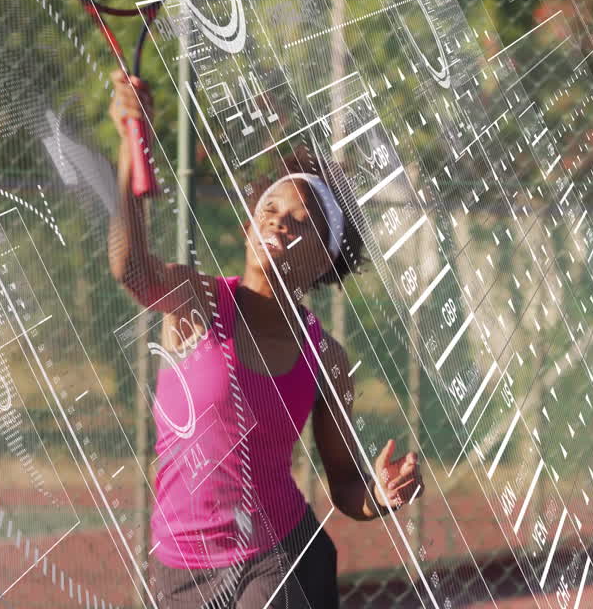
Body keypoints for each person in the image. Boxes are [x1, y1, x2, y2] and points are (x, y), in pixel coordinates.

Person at [106, 71, 424, 609]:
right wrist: (129, 136)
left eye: (299, 223)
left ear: (324, 258)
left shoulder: (326, 357)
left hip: (280, 555)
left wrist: (381, 496)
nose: (278, 225)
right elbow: (131, 268)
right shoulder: (197, 301)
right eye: (270, 211)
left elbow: (346, 486)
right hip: (178, 567)